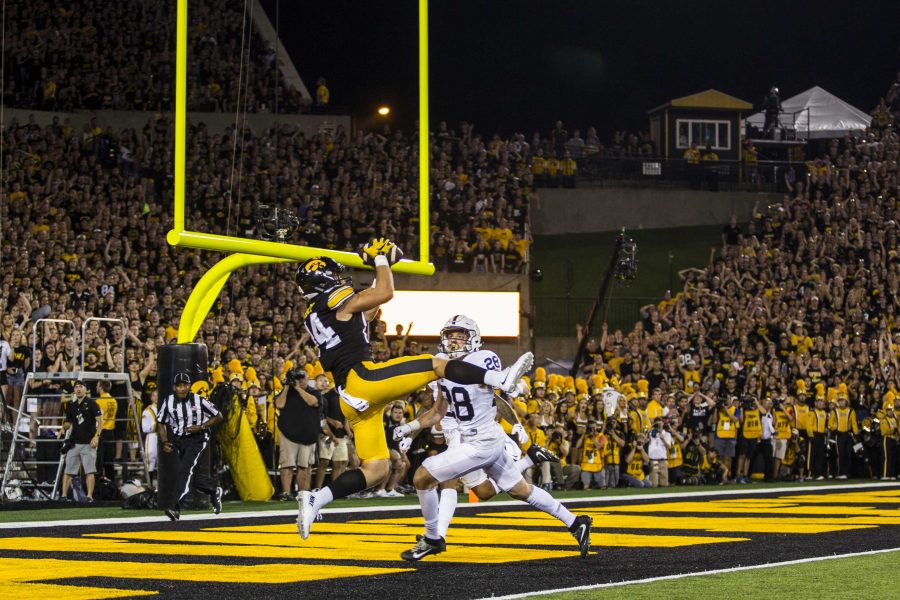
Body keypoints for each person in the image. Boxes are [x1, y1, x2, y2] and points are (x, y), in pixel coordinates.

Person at [296, 240, 533, 540]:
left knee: (377, 469)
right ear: (326, 281)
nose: (343, 281)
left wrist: (384, 267)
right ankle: (500, 379)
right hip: (363, 380)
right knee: (436, 364)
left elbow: (366, 312)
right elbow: (385, 292)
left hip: (350, 399)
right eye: (337, 277)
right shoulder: (334, 300)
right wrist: (380, 260)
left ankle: (317, 499)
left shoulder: (317, 314)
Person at [390, 314, 591, 561]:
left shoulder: (483, 358)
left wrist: (517, 395)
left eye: (460, 336)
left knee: (422, 476)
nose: (454, 341)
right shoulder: (441, 364)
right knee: (517, 490)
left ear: (473, 339)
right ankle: (576, 523)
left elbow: (498, 396)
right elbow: (437, 410)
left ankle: (433, 538)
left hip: (480, 442)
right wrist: (410, 427)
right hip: (478, 440)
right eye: (450, 336)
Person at [156, 372, 224, 521]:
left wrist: (201, 426)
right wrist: (165, 441)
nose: (182, 388)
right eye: (179, 385)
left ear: (189, 386)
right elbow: (160, 421)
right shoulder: (169, 401)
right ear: (174, 387)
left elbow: (218, 415)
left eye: (185, 385)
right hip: (180, 440)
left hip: (198, 438)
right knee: (191, 476)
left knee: (184, 470)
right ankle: (213, 489)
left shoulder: (198, 400)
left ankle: (175, 506)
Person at [275, 368, 322, 499]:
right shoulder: (287, 392)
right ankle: (286, 493)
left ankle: (302, 494)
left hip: (308, 435)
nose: (300, 380)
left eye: (303, 378)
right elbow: (279, 404)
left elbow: (312, 402)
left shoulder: (314, 392)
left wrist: (298, 389)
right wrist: (286, 387)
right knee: (286, 465)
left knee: (304, 466)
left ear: (308, 379)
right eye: (297, 378)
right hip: (288, 434)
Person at [58, 378, 103, 502]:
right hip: (74, 442)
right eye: (76, 387)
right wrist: (63, 428)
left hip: (88, 442)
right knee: (68, 471)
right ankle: (63, 495)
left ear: (86, 389)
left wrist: (96, 436)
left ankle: (89, 496)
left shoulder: (92, 404)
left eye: (81, 387)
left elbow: (100, 422)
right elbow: (68, 422)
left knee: (89, 471)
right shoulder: (71, 406)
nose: (78, 389)